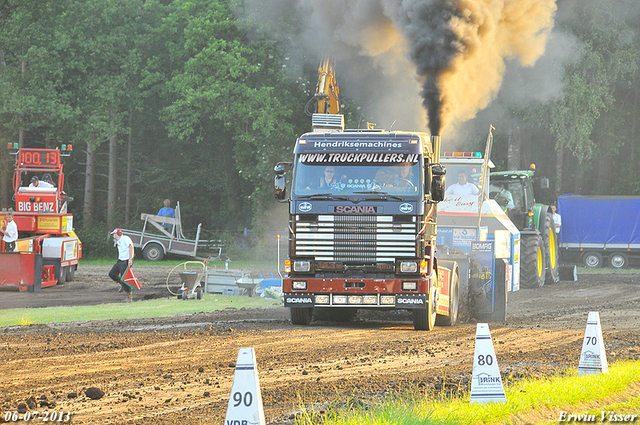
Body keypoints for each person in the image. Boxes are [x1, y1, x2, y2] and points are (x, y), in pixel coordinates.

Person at [108, 228, 135, 302]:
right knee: (112, 273)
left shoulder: (125, 238)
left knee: (125, 278)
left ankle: (129, 297)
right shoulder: (118, 241)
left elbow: (131, 247)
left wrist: (130, 259)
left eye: (114, 234)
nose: (113, 235)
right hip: (120, 261)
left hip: (125, 261)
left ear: (117, 234)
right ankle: (122, 284)